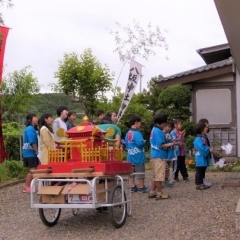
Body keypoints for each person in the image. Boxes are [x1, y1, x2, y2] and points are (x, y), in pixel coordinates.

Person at [148, 113, 178, 200]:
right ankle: (159, 193)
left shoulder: (154, 129)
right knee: (159, 176)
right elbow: (161, 145)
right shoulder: (158, 131)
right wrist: (172, 144)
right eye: (165, 123)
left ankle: (152, 192)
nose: (165, 125)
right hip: (159, 155)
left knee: (156, 174)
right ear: (160, 123)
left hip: (155, 155)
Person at [125, 115, 149, 193]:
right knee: (140, 172)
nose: (140, 124)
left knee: (131, 173)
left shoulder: (128, 133)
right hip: (138, 156)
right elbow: (139, 143)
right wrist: (144, 141)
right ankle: (141, 187)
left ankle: (133, 187)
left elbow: (126, 143)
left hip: (130, 155)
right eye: (140, 122)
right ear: (136, 122)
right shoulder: (137, 133)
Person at [22, 113, 39, 193]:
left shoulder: (33, 128)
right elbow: (32, 141)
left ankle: (30, 186)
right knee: (32, 170)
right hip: (30, 152)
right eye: (34, 117)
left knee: (34, 169)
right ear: (29, 120)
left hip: (31, 152)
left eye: (36, 117)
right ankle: (26, 186)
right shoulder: (29, 129)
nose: (36, 118)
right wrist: (37, 152)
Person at [194, 121, 213, 190]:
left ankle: (201, 183)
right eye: (205, 127)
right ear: (202, 129)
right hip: (200, 157)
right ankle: (198, 184)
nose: (206, 128)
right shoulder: (198, 139)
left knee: (202, 170)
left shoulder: (202, 137)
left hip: (202, 157)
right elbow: (201, 147)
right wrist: (208, 149)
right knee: (199, 171)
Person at [198, 118, 214, 187]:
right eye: (206, 124)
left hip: (206, 153)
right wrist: (208, 149)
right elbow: (201, 146)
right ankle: (200, 182)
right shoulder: (199, 137)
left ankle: (203, 180)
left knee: (204, 168)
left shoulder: (205, 135)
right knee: (200, 169)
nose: (208, 125)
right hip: (202, 155)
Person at [163, 121, 178, 187]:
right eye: (168, 127)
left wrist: (176, 142)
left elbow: (173, 139)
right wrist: (172, 143)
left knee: (167, 166)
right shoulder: (163, 134)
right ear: (164, 126)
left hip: (169, 152)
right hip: (164, 153)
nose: (169, 128)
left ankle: (167, 179)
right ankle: (163, 180)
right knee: (164, 167)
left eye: (170, 127)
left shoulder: (168, 134)